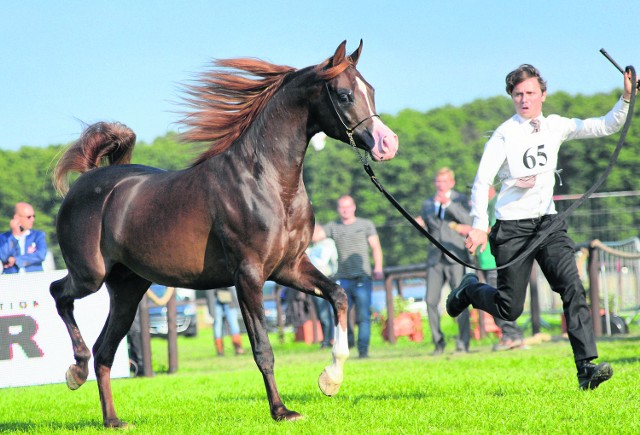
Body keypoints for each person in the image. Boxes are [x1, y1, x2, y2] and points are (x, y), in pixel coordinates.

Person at [447, 64, 634, 389]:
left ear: (542, 95)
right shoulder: (505, 133)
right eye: (518, 94)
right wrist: (479, 224)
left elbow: (605, 125)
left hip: (548, 224)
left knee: (572, 287)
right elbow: (482, 181)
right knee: (509, 308)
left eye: (530, 93)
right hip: (511, 228)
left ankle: (586, 368)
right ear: (512, 97)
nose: (524, 99)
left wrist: (627, 98)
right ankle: (471, 290)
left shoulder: (556, 126)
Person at [416, 167, 472, 355]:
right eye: (438, 182)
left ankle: (463, 342)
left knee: (460, 300)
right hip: (435, 258)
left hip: (455, 256)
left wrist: (449, 204)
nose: (441, 185)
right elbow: (427, 228)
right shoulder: (427, 204)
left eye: (444, 182)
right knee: (430, 300)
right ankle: (438, 342)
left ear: (452, 183)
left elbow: (468, 220)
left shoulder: (460, 200)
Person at [321, 195, 384, 359]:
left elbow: (375, 247)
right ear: (338, 209)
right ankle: (347, 345)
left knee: (363, 316)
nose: (345, 210)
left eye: (348, 206)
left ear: (354, 207)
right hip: (342, 279)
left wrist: (378, 267)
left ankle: (363, 351)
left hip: (362, 277)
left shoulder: (365, 225)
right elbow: (316, 235)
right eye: (342, 207)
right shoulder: (333, 227)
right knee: (341, 315)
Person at [476, 185, 524, 351]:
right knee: (498, 298)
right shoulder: (489, 204)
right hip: (486, 259)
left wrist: (473, 230)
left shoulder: (497, 203)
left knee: (499, 299)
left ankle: (511, 336)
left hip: (494, 260)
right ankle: (513, 335)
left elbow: (497, 228)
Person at [307, 223, 339, 349]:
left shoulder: (327, 244)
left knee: (331, 312)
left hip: (328, 280)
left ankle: (332, 339)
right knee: (323, 313)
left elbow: (321, 262)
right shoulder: (314, 247)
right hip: (318, 282)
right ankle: (326, 339)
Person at [0, 202, 47, 274]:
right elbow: (3, 256)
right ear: (16, 218)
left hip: (35, 278)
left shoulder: (38, 235)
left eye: (33, 216)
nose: (32, 219)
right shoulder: (4, 237)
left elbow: (41, 254)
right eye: (29, 217)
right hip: (11, 280)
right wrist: (15, 236)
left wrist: (16, 260)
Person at [207, 287, 244, 356]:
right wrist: (211, 310)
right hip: (216, 299)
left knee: (233, 324)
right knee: (218, 326)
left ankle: (237, 347)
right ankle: (220, 350)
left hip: (228, 299)